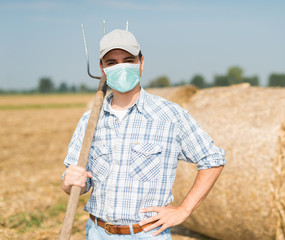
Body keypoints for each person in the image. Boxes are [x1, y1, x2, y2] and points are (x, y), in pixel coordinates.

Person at [61, 28, 226, 239]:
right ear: (102, 69)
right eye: (112, 62)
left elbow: (213, 159)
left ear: (141, 63)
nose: (120, 67)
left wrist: (184, 210)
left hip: (148, 233)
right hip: (97, 232)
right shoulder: (90, 121)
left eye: (128, 60)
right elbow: (77, 186)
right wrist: (68, 183)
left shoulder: (169, 115)